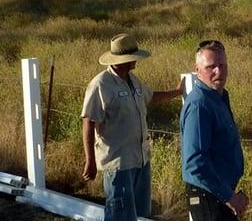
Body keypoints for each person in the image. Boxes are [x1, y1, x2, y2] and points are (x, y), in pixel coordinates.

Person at [81, 33, 184, 221]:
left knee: (140, 213)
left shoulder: (133, 80)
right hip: (117, 163)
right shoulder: (100, 85)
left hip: (140, 160)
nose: (136, 62)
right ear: (123, 61)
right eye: (133, 58)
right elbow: (88, 121)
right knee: (119, 214)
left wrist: (177, 92)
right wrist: (91, 160)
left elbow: (151, 97)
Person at [180, 40, 249, 220]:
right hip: (209, 198)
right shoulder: (199, 105)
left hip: (220, 194)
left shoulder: (219, 97)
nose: (218, 71)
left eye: (222, 65)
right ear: (197, 70)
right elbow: (195, 163)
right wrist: (229, 197)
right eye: (211, 67)